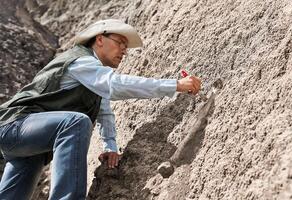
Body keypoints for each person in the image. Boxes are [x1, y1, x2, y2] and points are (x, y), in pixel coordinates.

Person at [0, 19, 201, 200]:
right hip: (14, 126)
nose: (124, 50)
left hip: (31, 144)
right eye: (120, 42)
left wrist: (110, 147)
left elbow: (104, 111)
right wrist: (174, 85)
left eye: (126, 47)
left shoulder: (93, 78)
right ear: (99, 39)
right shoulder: (81, 60)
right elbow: (114, 86)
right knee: (75, 122)